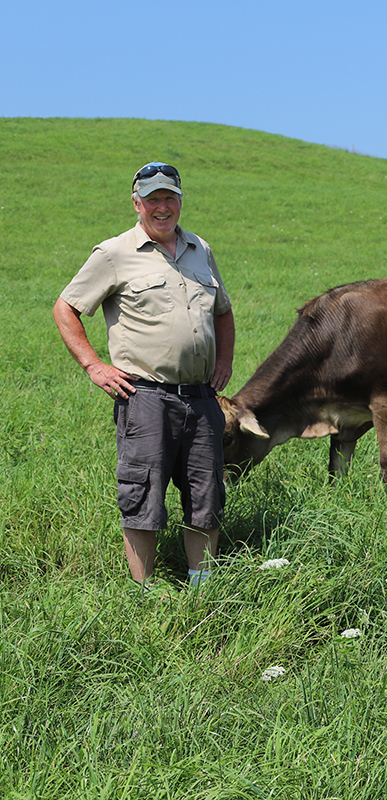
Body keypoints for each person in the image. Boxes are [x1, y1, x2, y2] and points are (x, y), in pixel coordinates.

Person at [53, 162, 235, 589]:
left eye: (169, 197)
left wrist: (224, 359)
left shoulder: (200, 249)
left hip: (202, 396)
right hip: (145, 397)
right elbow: (66, 307)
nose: (162, 206)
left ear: (180, 201)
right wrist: (93, 365)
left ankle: (201, 589)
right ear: (136, 204)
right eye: (152, 199)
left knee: (206, 496)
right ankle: (144, 595)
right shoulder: (114, 253)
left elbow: (223, 311)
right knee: (143, 497)